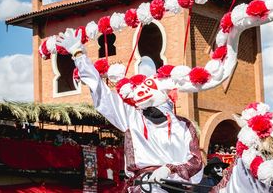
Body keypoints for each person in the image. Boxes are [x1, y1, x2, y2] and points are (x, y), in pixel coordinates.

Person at [57, 29, 203, 192]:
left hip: (176, 187)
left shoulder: (183, 125)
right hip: (142, 186)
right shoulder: (131, 117)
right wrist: (79, 55)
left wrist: (169, 170)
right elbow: (100, 91)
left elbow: (196, 162)